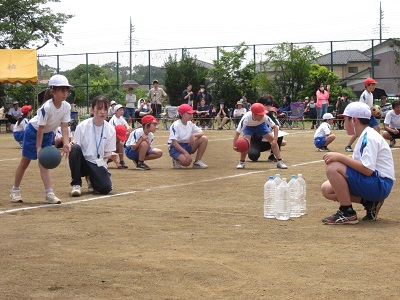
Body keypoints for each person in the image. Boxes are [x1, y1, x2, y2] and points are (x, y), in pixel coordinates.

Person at [320, 102, 395, 224]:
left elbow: (367, 169)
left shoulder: (369, 137)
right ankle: (369, 203)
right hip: (377, 182)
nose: (344, 123)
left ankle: (347, 212)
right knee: (327, 189)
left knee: (333, 168)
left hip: (380, 184)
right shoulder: (365, 134)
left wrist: (340, 157)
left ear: (354, 120)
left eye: (345, 119)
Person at [10, 74, 72, 204]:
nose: (65, 93)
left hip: (48, 134)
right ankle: (15, 191)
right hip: (33, 132)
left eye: (66, 90)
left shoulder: (66, 106)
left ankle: (49, 194)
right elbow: (40, 129)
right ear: (52, 91)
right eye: (61, 90)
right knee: (24, 162)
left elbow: (65, 126)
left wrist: (66, 143)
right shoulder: (46, 108)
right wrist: (38, 147)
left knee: (44, 163)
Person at [69, 96, 119, 197]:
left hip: (98, 163)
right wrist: (70, 145)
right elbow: (75, 148)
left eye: (105, 109)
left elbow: (107, 153)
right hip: (83, 162)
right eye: (99, 109)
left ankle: (91, 178)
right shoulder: (82, 126)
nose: (102, 112)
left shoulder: (111, 130)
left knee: (105, 188)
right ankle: (76, 184)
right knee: (75, 148)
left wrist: (111, 155)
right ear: (92, 110)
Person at [234, 103, 288, 169]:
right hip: (249, 127)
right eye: (261, 114)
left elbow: (275, 127)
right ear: (254, 114)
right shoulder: (246, 118)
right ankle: (241, 162)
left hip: (261, 126)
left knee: (272, 139)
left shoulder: (264, 117)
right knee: (246, 143)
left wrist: (275, 140)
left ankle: (280, 162)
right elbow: (237, 133)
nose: (263, 115)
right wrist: (234, 146)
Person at [344, 78, 380, 152]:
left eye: (374, 85)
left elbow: (369, 106)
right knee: (359, 132)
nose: (374, 86)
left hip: (369, 115)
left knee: (377, 128)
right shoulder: (364, 95)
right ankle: (348, 145)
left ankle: (375, 145)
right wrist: (370, 112)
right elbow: (362, 107)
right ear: (367, 85)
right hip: (364, 115)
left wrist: (373, 110)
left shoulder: (371, 94)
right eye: (372, 85)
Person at [168, 104, 208, 169]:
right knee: (187, 162)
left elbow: (202, 133)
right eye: (189, 113)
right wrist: (185, 153)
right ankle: (176, 159)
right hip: (176, 147)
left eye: (191, 113)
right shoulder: (176, 125)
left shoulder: (190, 123)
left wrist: (194, 135)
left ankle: (197, 161)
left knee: (204, 139)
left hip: (187, 145)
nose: (191, 115)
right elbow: (174, 142)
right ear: (181, 114)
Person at [247, 96, 287, 162]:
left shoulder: (269, 113)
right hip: (255, 139)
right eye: (269, 105)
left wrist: (272, 128)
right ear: (264, 105)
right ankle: (252, 149)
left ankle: (272, 155)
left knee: (279, 134)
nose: (270, 107)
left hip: (267, 139)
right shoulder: (250, 114)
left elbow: (277, 125)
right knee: (253, 156)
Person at [108, 104, 132, 169]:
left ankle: (122, 161)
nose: (122, 111)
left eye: (122, 110)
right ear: (116, 111)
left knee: (120, 145)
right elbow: (116, 132)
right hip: (111, 140)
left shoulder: (120, 118)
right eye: (120, 110)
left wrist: (128, 127)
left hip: (115, 140)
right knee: (112, 153)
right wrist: (116, 163)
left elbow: (125, 124)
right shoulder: (113, 120)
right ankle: (105, 161)